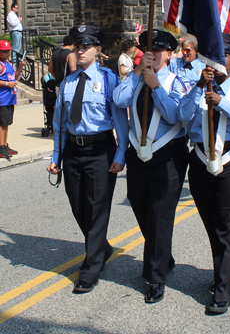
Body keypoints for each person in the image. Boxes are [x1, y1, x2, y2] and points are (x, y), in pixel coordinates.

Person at [178, 33, 230, 315]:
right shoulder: (198, 84)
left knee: (228, 223)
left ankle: (222, 288)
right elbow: (183, 116)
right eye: (209, 56)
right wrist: (199, 87)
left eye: (222, 55)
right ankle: (228, 269)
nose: (214, 62)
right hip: (200, 159)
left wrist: (222, 102)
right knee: (212, 222)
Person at [46, 25, 128, 293]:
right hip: (72, 150)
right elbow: (59, 122)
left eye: (86, 46)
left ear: (98, 50)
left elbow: (120, 121)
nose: (80, 51)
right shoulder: (68, 81)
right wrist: (56, 156)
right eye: (77, 46)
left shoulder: (107, 79)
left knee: (96, 208)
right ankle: (102, 247)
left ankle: (91, 267)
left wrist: (120, 154)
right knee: (78, 206)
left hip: (100, 150)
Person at [113, 29, 188, 304]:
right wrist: (136, 76)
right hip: (138, 155)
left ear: (169, 54)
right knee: (141, 207)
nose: (152, 54)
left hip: (168, 156)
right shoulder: (133, 79)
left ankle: (155, 277)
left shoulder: (176, 82)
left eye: (158, 50)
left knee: (159, 216)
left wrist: (155, 85)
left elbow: (175, 115)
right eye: (148, 50)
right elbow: (119, 101)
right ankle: (163, 256)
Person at [0, 40, 25, 159]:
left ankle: (4, 145)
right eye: (4, 51)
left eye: (8, 51)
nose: (7, 54)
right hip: (2, 99)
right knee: (2, 124)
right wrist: (6, 84)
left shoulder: (7, 63)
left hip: (9, 98)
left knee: (7, 123)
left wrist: (20, 68)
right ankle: (1, 147)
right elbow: (7, 81)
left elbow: (14, 77)